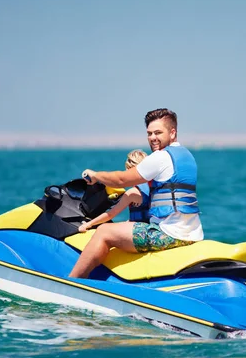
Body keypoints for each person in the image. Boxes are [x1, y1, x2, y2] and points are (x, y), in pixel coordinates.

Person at [69, 108, 203, 278]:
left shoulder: (160, 157)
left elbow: (121, 180)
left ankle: (72, 282)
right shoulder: (187, 156)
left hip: (169, 234)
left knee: (103, 231)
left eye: (158, 133)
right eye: (149, 133)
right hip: (193, 233)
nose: (153, 138)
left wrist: (96, 176)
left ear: (172, 132)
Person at [78, 149, 150, 233]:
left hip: (141, 233)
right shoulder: (153, 186)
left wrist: (88, 224)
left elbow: (110, 214)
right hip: (149, 228)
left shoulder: (132, 193)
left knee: (104, 228)